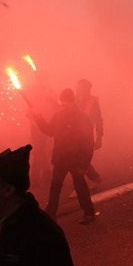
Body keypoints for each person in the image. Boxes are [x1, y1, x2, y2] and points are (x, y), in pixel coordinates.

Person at [33, 88, 96, 224]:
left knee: (80, 186)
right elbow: (49, 131)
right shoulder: (58, 116)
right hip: (60, 158)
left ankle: (89, 212)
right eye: (62, 104)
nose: (63, 106)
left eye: (66, 104)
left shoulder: (81, 118)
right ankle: (50, 216)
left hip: (76, 159)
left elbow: (88, 143)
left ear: (72, 102)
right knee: (55, 187)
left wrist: (84, 164)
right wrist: (39, 119)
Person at [75, 79, 104, 187]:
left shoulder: (93, 102)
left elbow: (99, 120)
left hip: (87, 135)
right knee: (78, 160)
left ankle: (84, 185)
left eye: (81, 88)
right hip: (75, 135)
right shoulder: (74, 101)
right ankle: (95, 178)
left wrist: (99, 138)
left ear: (87, 90)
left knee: (81, 160)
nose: (78, 90)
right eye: (78, 87)